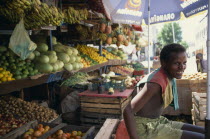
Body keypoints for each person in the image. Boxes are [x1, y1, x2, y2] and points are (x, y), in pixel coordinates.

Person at [123, 44, 205, 139]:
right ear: (163, 63)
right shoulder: (155, 84)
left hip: (156, 121)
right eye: (176, 63)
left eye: (184, 63)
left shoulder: (166, 76)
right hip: (145, 128)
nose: (182, 67)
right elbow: (128, 110)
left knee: (205, 132)